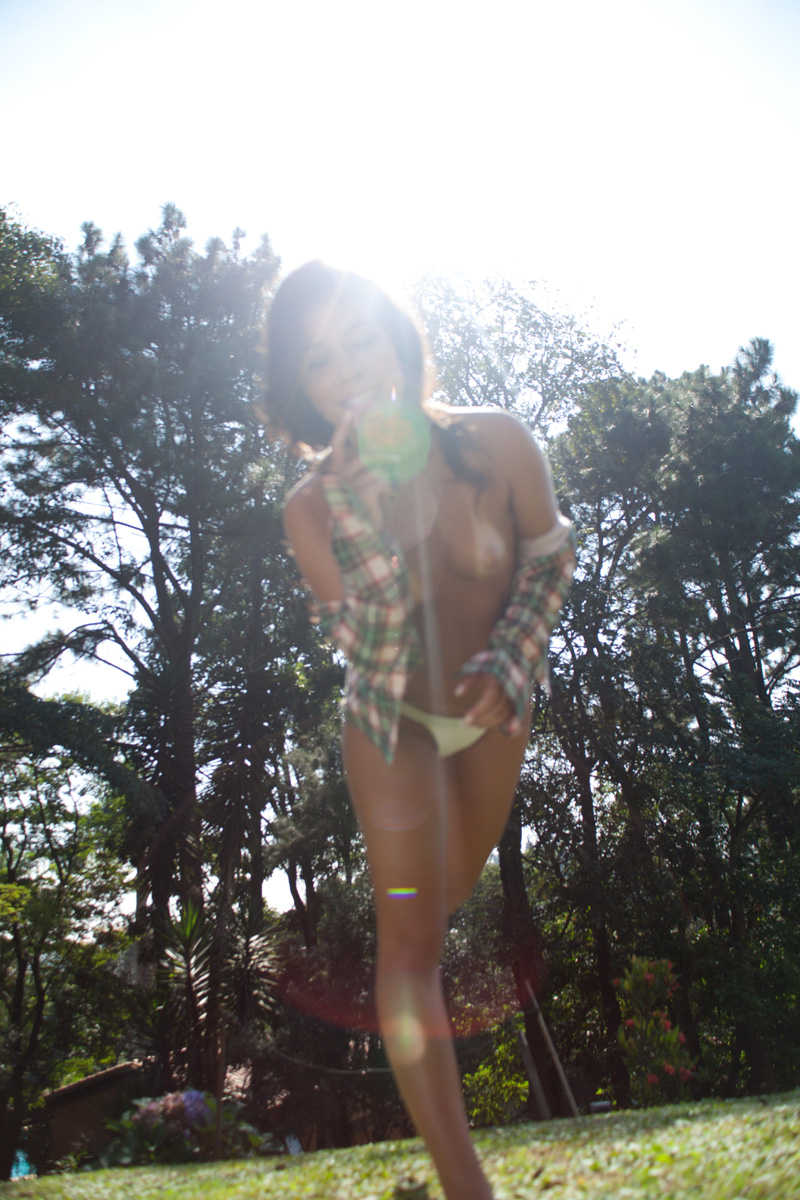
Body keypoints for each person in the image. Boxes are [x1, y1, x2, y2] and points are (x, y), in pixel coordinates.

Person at [263, 261, 576, 1200]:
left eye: (359, 339)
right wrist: (362, 516)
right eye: (319, 360)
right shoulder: (310, 510)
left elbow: (549, 559)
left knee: (447, 898)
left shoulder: (498, 442)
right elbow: (371, 647)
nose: (347, 370)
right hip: (390, 719)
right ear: (303, 388)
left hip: (492, 712)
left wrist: (514, 659)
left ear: (397, 342)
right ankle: (465, 1183)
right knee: (410, 948)